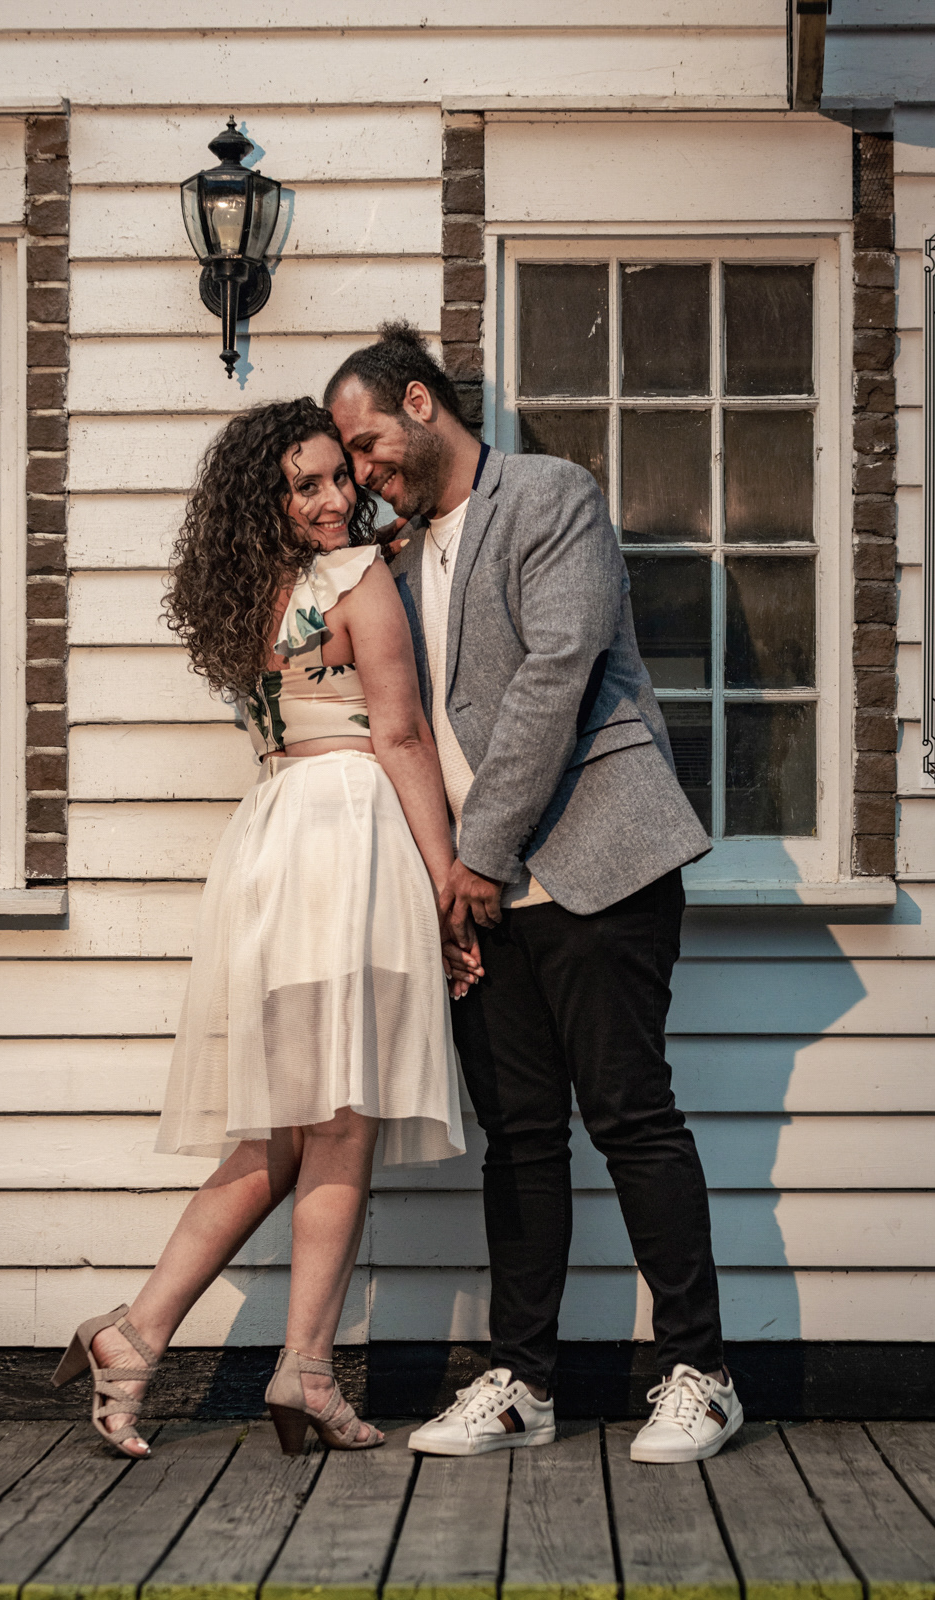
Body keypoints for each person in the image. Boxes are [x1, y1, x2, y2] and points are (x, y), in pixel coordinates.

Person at [326, 324, 744, 1464]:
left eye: (365, 444)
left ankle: (702, 1374)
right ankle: (523, 1384)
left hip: (592, 861)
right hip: (481, 896)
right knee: (516, 1141)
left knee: (630, 1116)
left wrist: (478, 857)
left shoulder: (551, 495)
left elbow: (556, 675)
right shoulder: (396, 562)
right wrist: (446, 885)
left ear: (420, 401)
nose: (361, 473)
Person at [52, 398, 474, 1459]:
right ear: (268, 501)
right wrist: (447, 886)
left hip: (273, 835)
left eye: (339, 477)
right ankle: (306, 1371)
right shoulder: (356, 579)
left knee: (283, 1132)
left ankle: (134, 1337)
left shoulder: (247, 593)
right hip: (347, 833)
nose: (334, 499)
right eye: (307, 485)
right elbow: (400, 734)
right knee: (342, 1120)